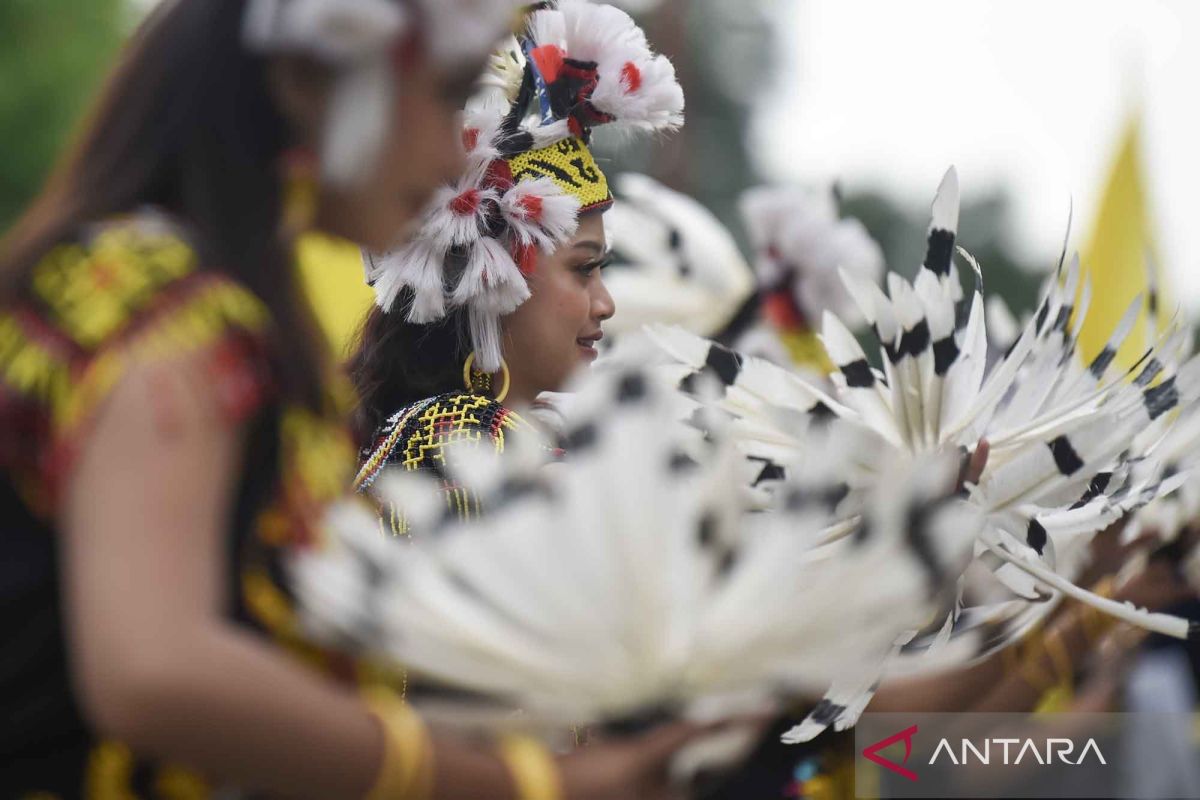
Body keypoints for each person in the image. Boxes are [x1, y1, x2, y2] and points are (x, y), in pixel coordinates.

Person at [0, 1, 708, 797]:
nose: (452, 158)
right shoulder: (161, 304)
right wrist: (520, 785)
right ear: (312, 80)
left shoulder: (190, 296)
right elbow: (154, 670)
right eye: (445, 98)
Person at [352, 0, 685, 506]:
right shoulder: (460, 439)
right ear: (493, 279)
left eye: (601, 269)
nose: (606, 303)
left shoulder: (493, 439)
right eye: (583, 269)